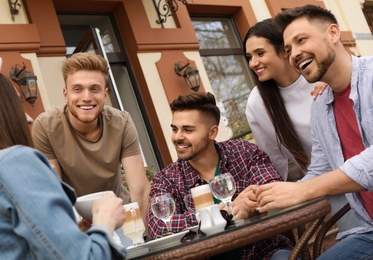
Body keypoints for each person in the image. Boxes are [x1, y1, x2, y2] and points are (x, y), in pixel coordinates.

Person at [254, 5, 373, 259]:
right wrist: (262, 198)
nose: (295, 53)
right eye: (288, 49)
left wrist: (303, 190)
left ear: (332, 33)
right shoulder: (320, 106)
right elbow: (319, 171)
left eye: (301, 40)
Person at [0, 58, 126, 259]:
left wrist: (69, 233)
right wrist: (105, 221)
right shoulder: (15, 162)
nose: (29, 118)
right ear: (2, 114)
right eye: (17, 104)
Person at [147, 92, 294, 259]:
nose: (177, 137)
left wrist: (251, 206)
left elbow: (275, 190)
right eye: (175, 129)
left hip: (264, 253)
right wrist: (221, 213)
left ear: (212, 132)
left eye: (187, 130)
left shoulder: (244, 153)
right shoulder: (166, 179)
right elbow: (158, 227)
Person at [32, 52, 150, 225]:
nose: (86, 97)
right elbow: (55, 191)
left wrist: (146, 238)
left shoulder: (122, 123)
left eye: (94, 88)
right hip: (76, 222)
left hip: (119, 217)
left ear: (105, 94)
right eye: (77, 89)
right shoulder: (45, 126)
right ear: (66, 94)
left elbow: (140, 190)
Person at [244, 18, 326, 181]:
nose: (253, 63)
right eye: (249, 57)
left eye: (260, 53)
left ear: (284, 50)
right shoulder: (257, 104)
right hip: (319, 185)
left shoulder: (321, 78)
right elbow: (272, 160)